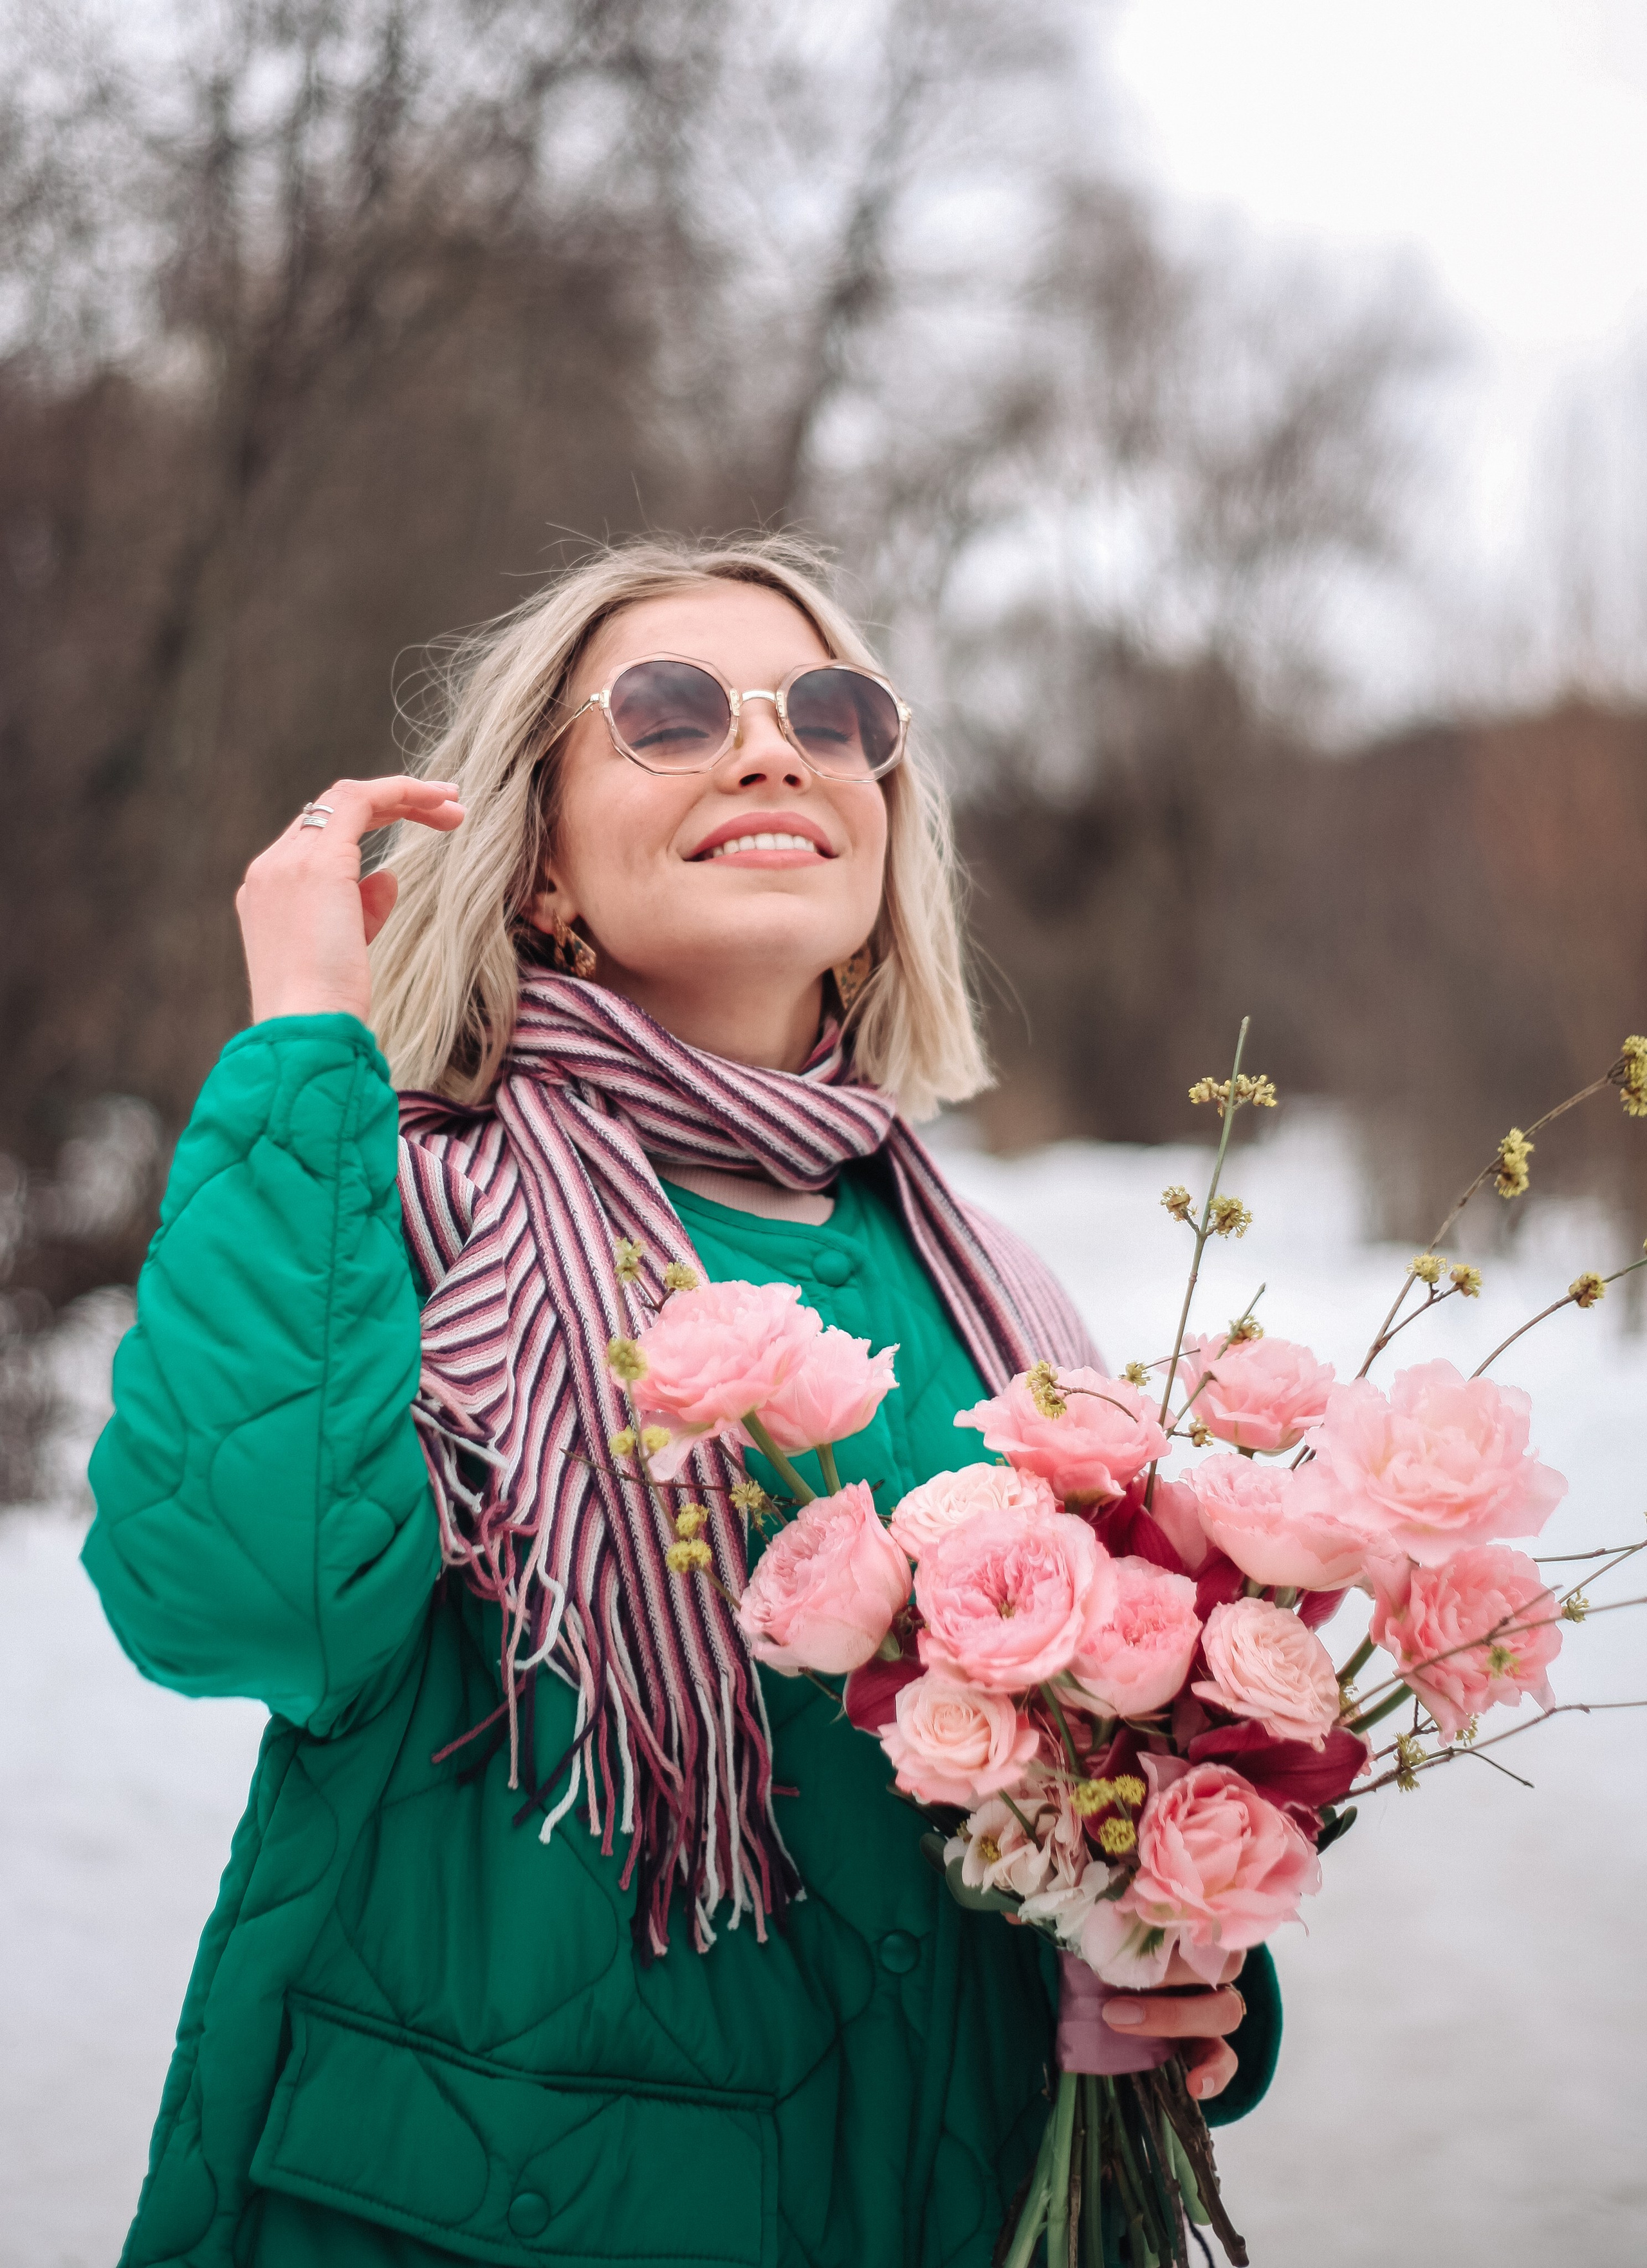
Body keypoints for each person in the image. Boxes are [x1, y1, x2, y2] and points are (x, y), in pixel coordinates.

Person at [84, 537, 1279, 2268]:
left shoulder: (1003, 1296)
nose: (775, 748)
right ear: (541, 859)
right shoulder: (389, 1204)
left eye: (835, 713)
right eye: (668, 712)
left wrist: (1179, 1962)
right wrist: (298, 1037)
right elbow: (236, 1607)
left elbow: (1094, 1774)